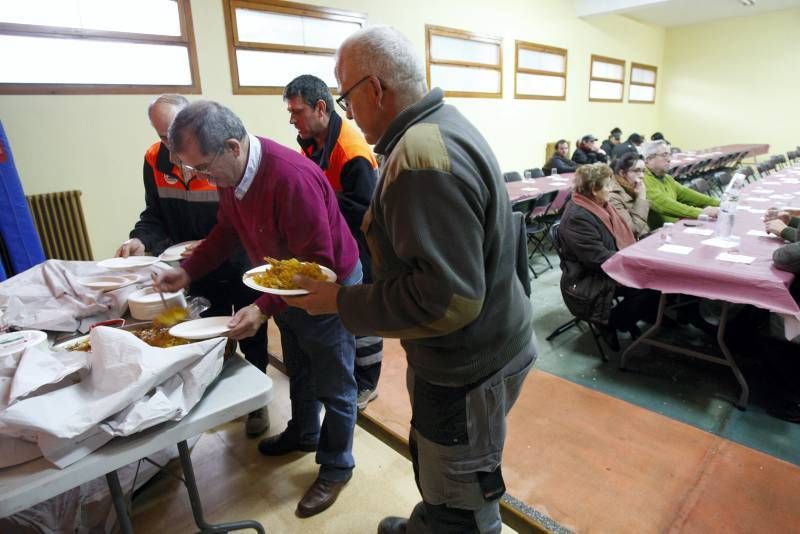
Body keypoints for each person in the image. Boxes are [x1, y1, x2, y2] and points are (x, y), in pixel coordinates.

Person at [283, 26, 536, 534]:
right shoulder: (442, 123)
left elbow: (448, 301)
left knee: (463, 496)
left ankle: (444, 523)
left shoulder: (419, 159)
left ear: (375, 89)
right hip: (480, 344)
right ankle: (430, 519)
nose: (345, 111)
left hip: (466, 362)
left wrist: (340, 301)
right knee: (439, 463)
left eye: (345, 95)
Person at [154, 100, 361, 518]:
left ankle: (337, 465)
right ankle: (304, 432)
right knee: (299, 364)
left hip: (326, 286)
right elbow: (226, 230)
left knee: (335, 381)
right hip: (286, 285)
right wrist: (187, 272)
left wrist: (262, 308)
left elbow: (314, 269)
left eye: (204, 169)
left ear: (232, 147)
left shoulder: (291, 179)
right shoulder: (233, 175)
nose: (201, 179)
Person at [116, 94, 270, 437]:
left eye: (177, 138)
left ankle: (257, 403)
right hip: (195, 268)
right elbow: (154, 215)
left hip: (240, 261)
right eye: (164, 139)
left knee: (251, 331)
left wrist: (217, 244)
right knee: (208, 336)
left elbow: (242, 219)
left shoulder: (220, 156)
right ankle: (216, 399)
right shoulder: (154, 161)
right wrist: (142, 239)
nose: (174, 151)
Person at [283, 74, 383, 410]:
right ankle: (349, 375)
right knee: (343, 313)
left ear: (321, 107)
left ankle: (368, 384)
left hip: (362, 244)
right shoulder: (312, 141)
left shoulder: (351, 150)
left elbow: (366, 208)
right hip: (336, 243)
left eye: (297, 112)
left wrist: (318, 199)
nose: (292, 119)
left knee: (364, 315)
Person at [557, 163, 658, 350]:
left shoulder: (602, 205)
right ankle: (613, 321)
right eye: (608, 185)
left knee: (656, 280)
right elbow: (598, 259)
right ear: (594, 190)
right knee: (651, 286)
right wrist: (636, 262)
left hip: (606, 267)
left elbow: (627, 233)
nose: (611, 189)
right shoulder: (577, 217)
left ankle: (633, 316)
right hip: (589, 279)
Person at [642, 140, 719, 229]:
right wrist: (701, 212)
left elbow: (690, 195)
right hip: (657, 234)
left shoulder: (666, 178)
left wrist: (719, 203)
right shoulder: (643, 179)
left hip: (676, 226)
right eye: (664, 155)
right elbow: (664, 205)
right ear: (648, 159)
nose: (669, 159)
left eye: (669, 155)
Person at [609, 152, 650, 238]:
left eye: (643, 171)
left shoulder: (634, 188)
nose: (642, 176)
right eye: (636, 171)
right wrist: (641, 197)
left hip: (644, 237)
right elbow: (632, 231)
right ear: (622, 173)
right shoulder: (613, 196)